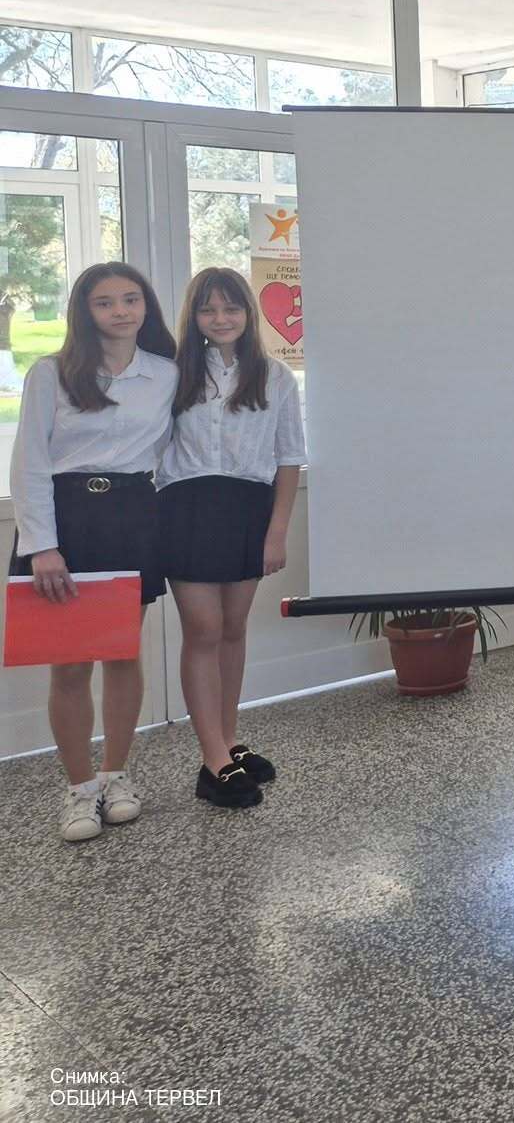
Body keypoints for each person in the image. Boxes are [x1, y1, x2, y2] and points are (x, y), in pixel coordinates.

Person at [9, 264, 177, 842]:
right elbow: (29, 463)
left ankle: (115, 776)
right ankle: (79, 788)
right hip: (67, 519)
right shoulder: (52, 373)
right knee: (71, 661)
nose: (121, 311)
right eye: (105, 302)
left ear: (146, 306)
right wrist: (42, 547)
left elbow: (174, 449)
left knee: (122, 653)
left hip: (132, 515)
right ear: (85, 311)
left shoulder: (165, 374)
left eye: (131, 299)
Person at [159, 268, 306, 810]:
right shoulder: (172, 374)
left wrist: (276, 532)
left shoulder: (275, 376)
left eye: (231, 308)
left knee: (233, 629)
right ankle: (213, 759)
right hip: (187, 508)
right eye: (208, 309)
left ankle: (227, 740)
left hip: (248, 509)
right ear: (193, 316)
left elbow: (289, 458)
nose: (220, 319)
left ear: (248, 312)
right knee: (203, 629)